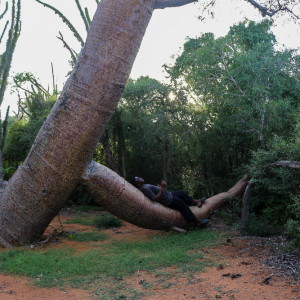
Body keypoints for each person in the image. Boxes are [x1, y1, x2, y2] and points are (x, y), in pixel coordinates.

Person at [133, 177, 208, 226]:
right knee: (183, 205)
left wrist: (158, 188)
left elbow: (155, 192)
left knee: (181, 193)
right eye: (138, 179)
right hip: (168, 200)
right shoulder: (144, 189)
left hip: (169, 194)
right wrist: (162, 188)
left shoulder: (144, 186)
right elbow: (155, 199)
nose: (140, 178)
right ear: (138, 184)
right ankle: (198, 222)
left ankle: (197, 201)